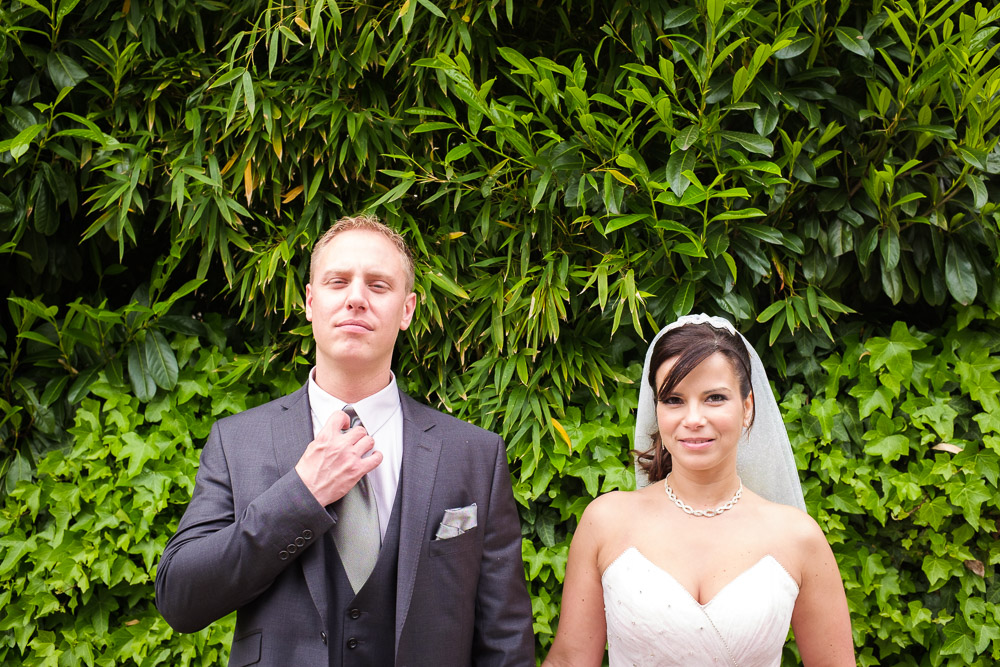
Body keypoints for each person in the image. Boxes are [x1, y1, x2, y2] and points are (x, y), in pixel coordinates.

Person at [155, 215, 534, 666]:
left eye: (378, 285)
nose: (356, 298)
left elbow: (505, 638)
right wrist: (301, 495)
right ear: (310, 302)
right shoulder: (236, 441)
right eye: (338, 282)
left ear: (407, 310)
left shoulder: (475, 454)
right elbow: (181, 599)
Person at [543, 314, 855, 666]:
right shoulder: (605, 522)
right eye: (674, 400)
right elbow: (569, 660)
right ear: (656, 410)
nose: (693, 419)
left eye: (715, 398)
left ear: (747, 407)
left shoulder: (798, 537)